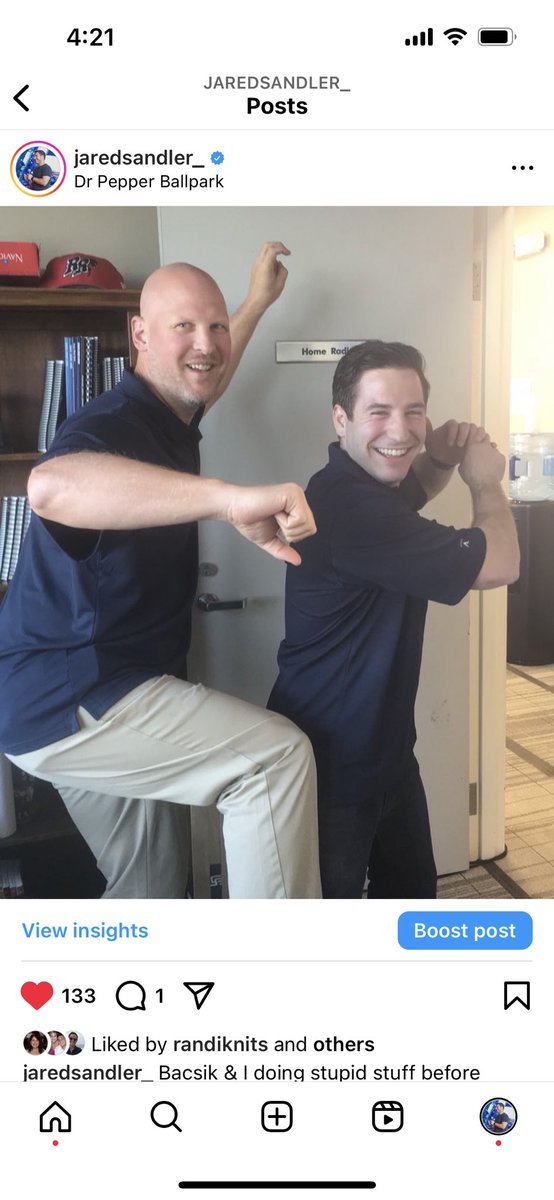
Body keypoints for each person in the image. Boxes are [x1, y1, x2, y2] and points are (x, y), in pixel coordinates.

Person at [0, 243, 321, 901]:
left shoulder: (170, 410)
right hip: (76, 694)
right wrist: (230, 500)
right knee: (275, 761)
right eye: (184, 327)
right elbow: (52, 487)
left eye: (217, 327)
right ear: (139, 335)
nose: (206, 344)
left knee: (149, 887)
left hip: (58, 702)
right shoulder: (108, 425)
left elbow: (206, 377)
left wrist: (256, 301)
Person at [268, 340, 520, 899]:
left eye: (414, 412)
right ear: (342, 418)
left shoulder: (354, 486)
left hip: (384, 753)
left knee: (408, 897)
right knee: (329, 932)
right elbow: (502, 563)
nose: (400, 430)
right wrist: (484, 481)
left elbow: (409, 494)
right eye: (378, 412)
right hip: (331, 766)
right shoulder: (352, 512)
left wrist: (444, 458)